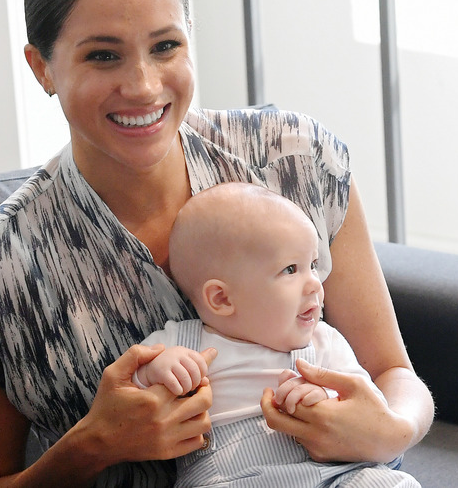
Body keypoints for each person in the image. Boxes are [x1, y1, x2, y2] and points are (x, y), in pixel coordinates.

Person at [0, 0, 434, 485]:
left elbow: (394, 371)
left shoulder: (294, 159)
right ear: (42, 68)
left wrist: (392, 430)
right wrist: (92, 446)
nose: (144, 87)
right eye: (103, 56)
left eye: (165, 46)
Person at [133, 182, 420, 487]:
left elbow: (371, 410)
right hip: (229, 479)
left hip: (334, 475)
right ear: (221, 299)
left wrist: (327, 399)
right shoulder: (181, 344)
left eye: (312, 265)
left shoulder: (324, 343)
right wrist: (155, 370)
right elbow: (126, 395)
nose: (314, 284)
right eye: (290, 270)